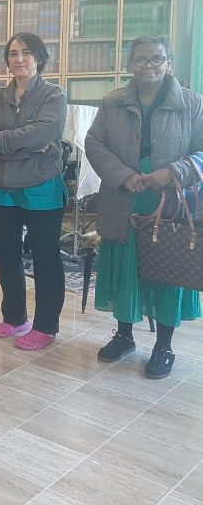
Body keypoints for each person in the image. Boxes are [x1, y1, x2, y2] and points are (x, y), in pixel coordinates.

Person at [86, 35, 203, 379]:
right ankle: (124, 336)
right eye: (140, 59)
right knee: (125, 268)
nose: (148, 65)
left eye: (156, 59)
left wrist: (174, 172)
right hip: (125, 198)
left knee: (166, 271)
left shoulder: (192, 103)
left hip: (169, 203)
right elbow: (94, 143)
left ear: (169, 63)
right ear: (129, 64)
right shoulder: (113, 102)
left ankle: (163, 346)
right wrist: (124, 176)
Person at [0, 33, 67, 350]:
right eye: (13, 54)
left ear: (39, 58)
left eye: (26, 53)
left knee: (45, 259)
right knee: (6, 257)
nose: (19, 59)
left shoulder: (53, 95)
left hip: (41, 187)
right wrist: (25, 146)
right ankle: (15, 318)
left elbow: (43, 133)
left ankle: (45, 326)